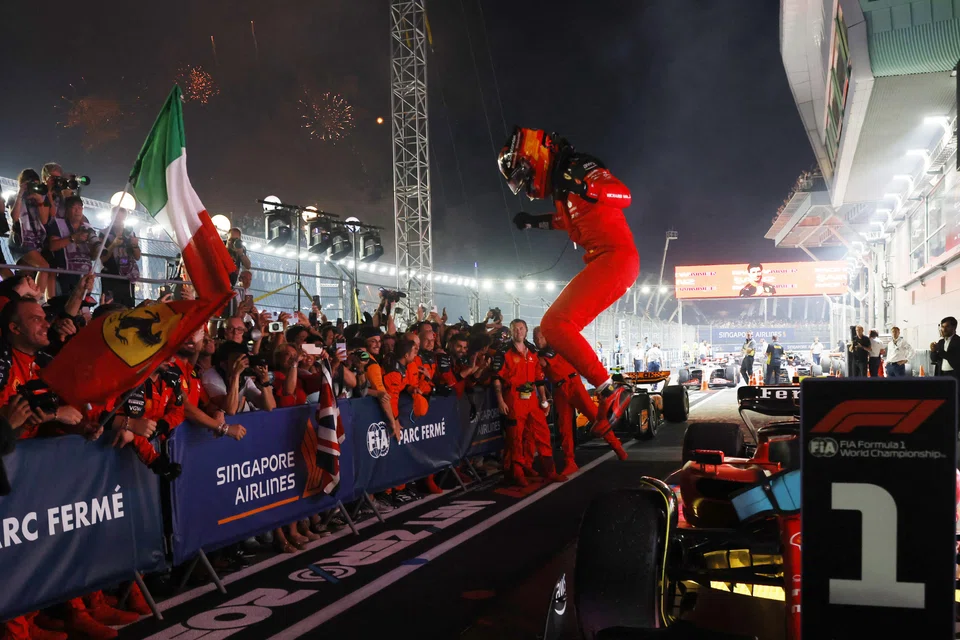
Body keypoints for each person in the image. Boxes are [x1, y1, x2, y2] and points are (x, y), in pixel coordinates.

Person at [502, 126, 637, 439]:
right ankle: (609, 392)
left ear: (534, 157)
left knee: (554, 324)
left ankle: (611, 390)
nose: (528, 188)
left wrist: (587, 186)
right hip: (610, 262)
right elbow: (567, 220)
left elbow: (623, 195)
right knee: (559, 326)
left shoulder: (578, 170)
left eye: (524, 177)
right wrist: (533, 221)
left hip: (615, 259)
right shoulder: (565, 186)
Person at [492, 319, 567, 485]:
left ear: (525, 331)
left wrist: (543, 400)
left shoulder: (532, 351)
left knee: (542, 433)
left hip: (531, 399)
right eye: (515, 329)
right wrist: (500, 401)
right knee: (516, 437)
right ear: (511, 332)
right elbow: (496, 378)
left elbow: (539, 378)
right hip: (513, 398)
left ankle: (550, 471)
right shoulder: (503, 352)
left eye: (521, 328)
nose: (518, 332)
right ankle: (517, 472)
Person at [930, 317, 960, 381]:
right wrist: (933, 351)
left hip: (954, 375)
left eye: (947, 327)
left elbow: (955, 359)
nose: (944, 329)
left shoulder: (958, 341)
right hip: (941, 374)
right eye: (942, 327)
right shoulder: (941, 342)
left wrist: (939, 350)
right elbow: (934, 359)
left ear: (954, 327)